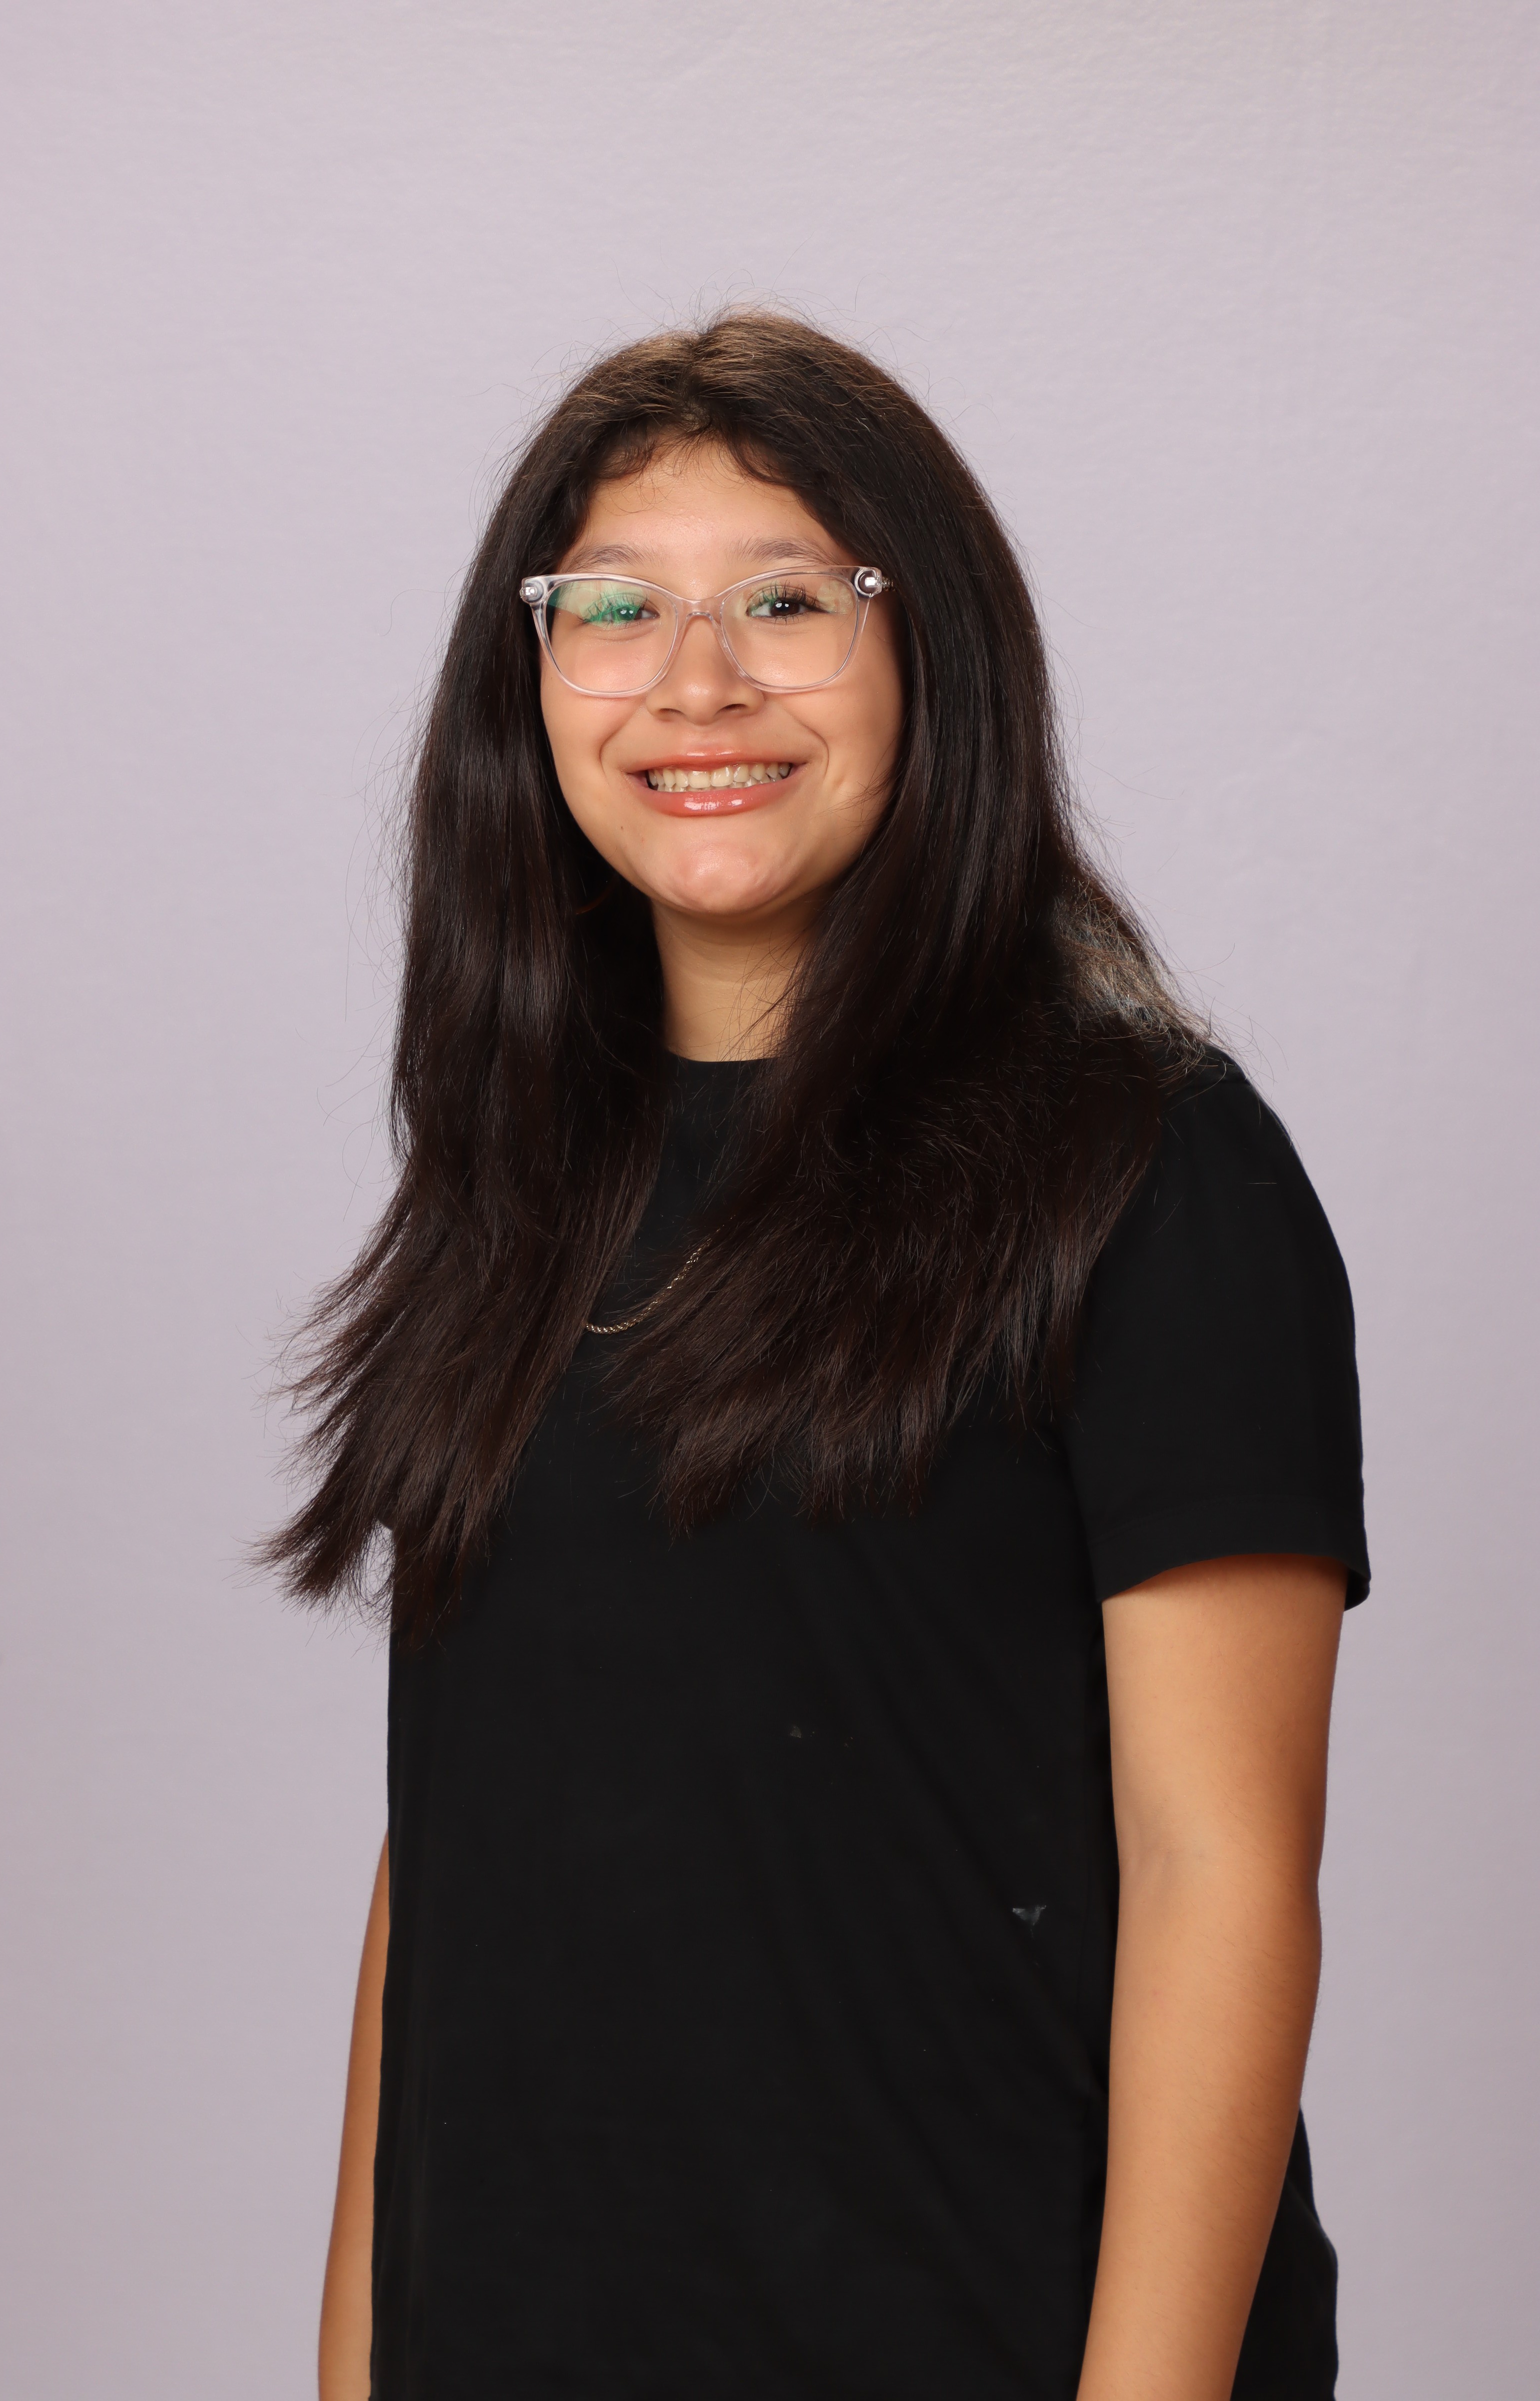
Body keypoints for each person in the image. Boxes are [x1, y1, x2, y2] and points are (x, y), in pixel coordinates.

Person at [269, 313, 1368, 2401]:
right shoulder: (518, 1179)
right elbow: (449, 1859)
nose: (696, 683)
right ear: (532, 679)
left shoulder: (1144, 1163)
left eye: (785, 601)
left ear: (930, 657)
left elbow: (1219, 1875)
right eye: (616, 607)